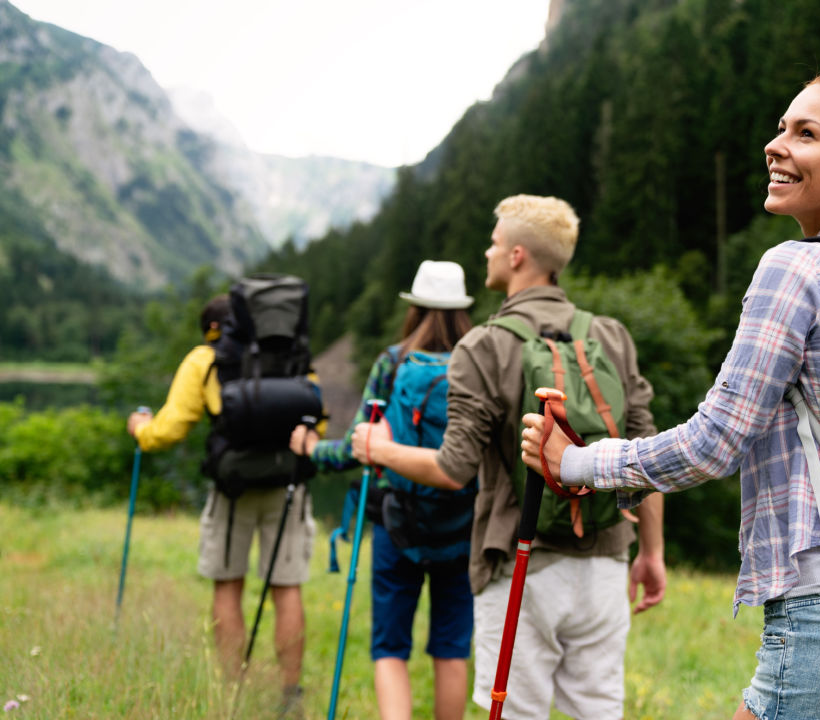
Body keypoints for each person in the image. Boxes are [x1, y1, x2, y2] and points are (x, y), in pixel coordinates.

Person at [522, 70, 820, 719]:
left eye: (805, 133)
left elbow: (714, 444)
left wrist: (574, 463)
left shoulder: (797, 267)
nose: (776, 145)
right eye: (780, 128)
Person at [352, 194, 667, 720]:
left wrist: (379, 449)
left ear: (518, 255)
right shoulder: (611, 336)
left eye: (495, 244)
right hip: (607, 561)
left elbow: (453, 469)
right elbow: (645, 456)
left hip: (521, 561)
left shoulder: (484, 346)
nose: (488, 253)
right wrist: (650, 553)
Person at [289, 260, 476, 720]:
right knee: (451, 649)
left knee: (390, 648)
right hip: (464, 526)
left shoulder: (393, 364)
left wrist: (313, 449)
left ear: (413, 308)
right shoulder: (478, 365)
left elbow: (360, 446)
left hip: (399, 523)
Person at [126, 294, 323, 715]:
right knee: (287, 589)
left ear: (212, 328)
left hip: (232, 486)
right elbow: (317, 420)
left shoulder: (204, 359)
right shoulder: (292, 353)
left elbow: (173, 427)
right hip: (287, 483)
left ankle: (234, 691)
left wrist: (142, 430)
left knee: (227, 586)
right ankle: (290, 696)